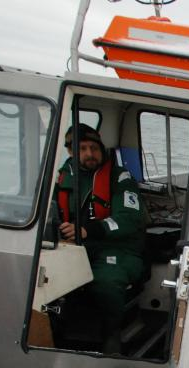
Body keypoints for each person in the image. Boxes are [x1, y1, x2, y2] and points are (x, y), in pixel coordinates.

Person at [55, 124, 146, 354]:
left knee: (107, 281)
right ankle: (56, 336)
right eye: (82, 148)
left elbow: (129, 218)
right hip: (75, 246)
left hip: (120, 248)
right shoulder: (62, 178)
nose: (89, 154)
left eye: (93, 148)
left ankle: (112, 335)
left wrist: (88, 230)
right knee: (48, 277)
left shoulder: (120, 178)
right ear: (70, 151)